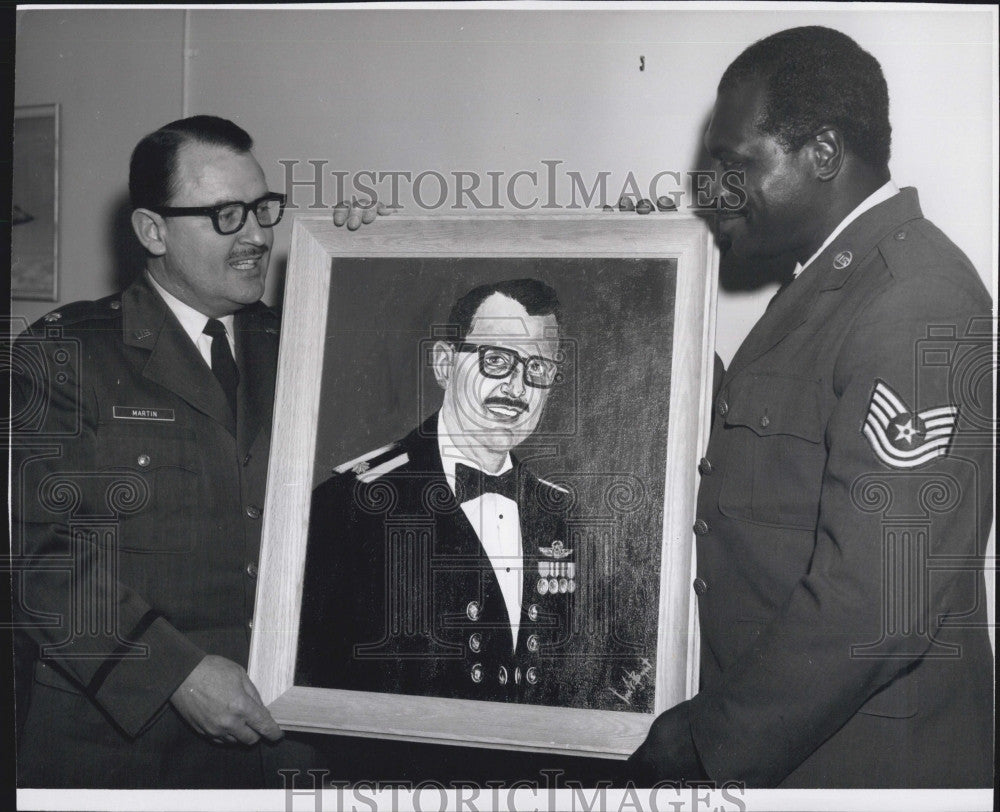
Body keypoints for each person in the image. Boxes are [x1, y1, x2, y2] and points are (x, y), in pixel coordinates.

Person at [627, 26, 994, 788]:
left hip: (864, 772)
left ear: (823, 154)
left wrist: (705, 742)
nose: (714, 192)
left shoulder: (918, 299)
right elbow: (745, 457)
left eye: (735, 166)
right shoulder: (827, 286)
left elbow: (882, 601)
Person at [9, 115, 377, 788]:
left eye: (262, 209)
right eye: (226, 215)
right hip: (121, 751)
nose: (259, 237)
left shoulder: (307, 335)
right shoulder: (64, 355)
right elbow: (33, 556)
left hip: (286, 749)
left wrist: (371, 263)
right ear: (153, 230)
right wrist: (171, 673)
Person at [298, 278, 578, 704]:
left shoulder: (559, 513)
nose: (517, 388)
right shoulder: (350, 504)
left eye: (537, 368)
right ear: (445, 364)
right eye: (497, 359)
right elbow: (312, 683)